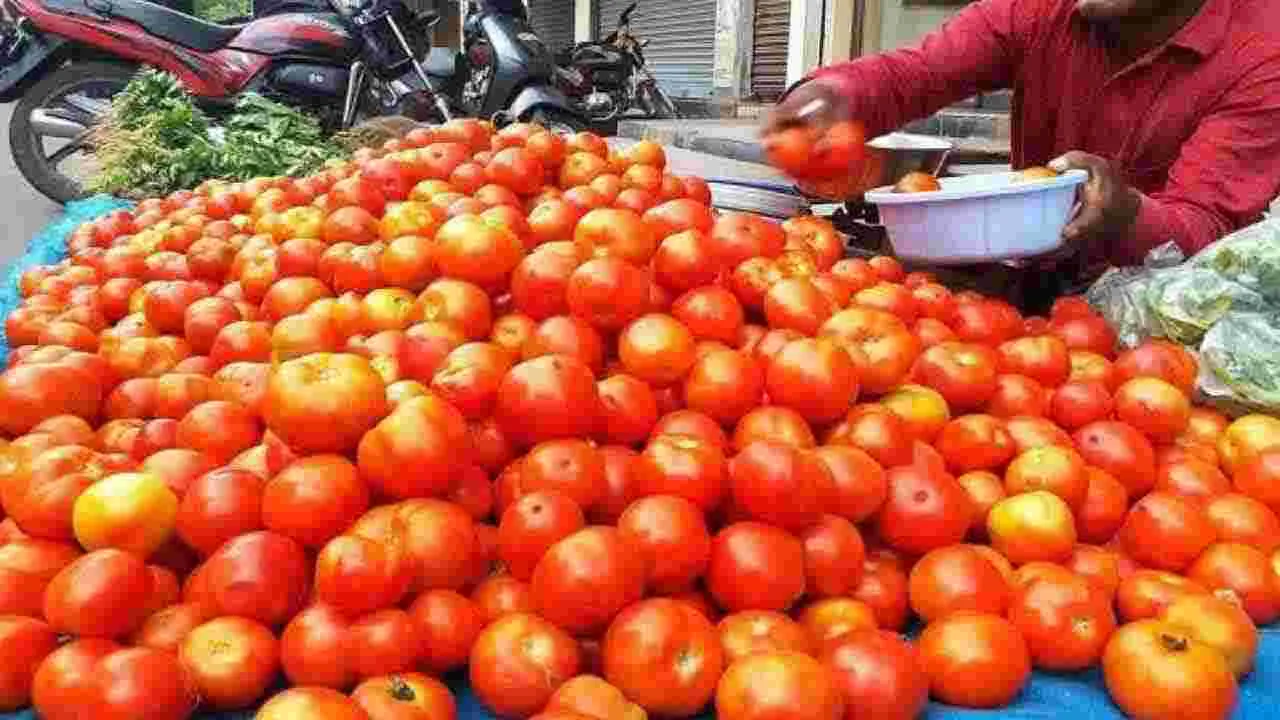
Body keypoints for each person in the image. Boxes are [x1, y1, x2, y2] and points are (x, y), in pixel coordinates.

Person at [771, 0, 1280, 279]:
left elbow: (1206, 225)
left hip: (1156, 327)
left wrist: (1124, 212)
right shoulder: (1039, 10)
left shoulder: (1262, 53)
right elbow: (919, 73)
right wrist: (832, 96)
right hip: (1022, 307)